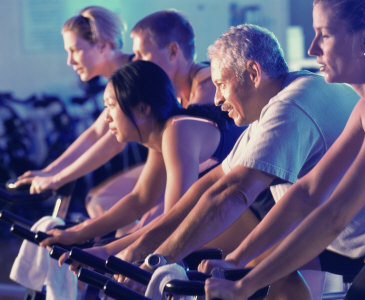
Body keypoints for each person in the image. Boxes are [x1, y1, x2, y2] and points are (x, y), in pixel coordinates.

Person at [87, 24, 359, 298]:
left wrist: (157, 259)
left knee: (246, 270)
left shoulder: (289, 106)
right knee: (257, 272)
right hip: (330, 233)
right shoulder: (279, 102)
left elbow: (231, 193)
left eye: (221, 84)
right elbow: (213, 184)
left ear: (253, 73)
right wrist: (135, 250)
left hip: (362, 242)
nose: (216, 99)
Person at [204, 0, 365, 299]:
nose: (312, 49)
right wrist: (236, 260)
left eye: (325, 34)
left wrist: (245, 285)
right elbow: (307, 193)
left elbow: (336, 214)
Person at [16, 9, 225, 234]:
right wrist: (50, 172)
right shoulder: (168, 102)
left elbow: (114, 141)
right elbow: (98, 133)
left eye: (75, 50)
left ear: (103, 46)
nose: (136, 61)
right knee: (111, 205)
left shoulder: (187, 95)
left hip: (223, 174)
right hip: (188, 164)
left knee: (124, 211)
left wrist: (57, 179)